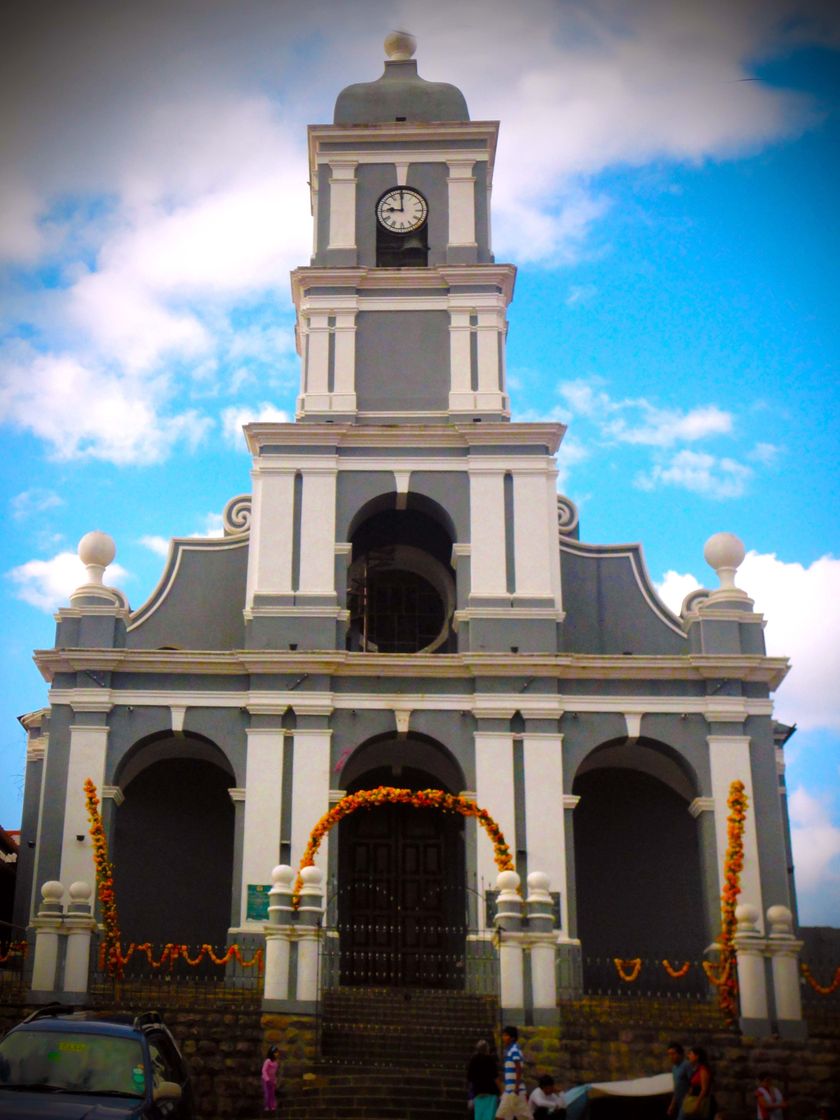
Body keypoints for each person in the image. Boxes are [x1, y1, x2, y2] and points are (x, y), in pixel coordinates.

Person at [495, 1026, 531, 1120]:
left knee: (501, 1117)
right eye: (503, 1035)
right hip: (511, 1091)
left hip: (514, 1090)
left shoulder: (514, 1050)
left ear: (512, 1038)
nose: (503, 1038)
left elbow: (518, 1068)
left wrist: (516, 1087)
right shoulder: (510, 1050)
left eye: (506, 1035)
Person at [678, 1046, 713, 1120]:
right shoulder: (696, 1069)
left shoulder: (703, 1069)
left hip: (698, 1100)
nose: (689, 1056)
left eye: (691, 1054)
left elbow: (704, 1088)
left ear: (697, 1056)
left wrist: (698, 1103)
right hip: (693, 1098)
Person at [467, 1039, 499, 1120]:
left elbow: (470, 1078)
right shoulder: (490, 1059)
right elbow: (495, 1077)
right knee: (490, 1116)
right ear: (487, 1049)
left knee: (479, 1116)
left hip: (478, 1092)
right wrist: (501, 1090)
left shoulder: (473, 1060)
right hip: (490, 1092)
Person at [667, 1042, 692, 1118]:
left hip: (687, 1102)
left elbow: (693, 1083)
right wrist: (672, 1105)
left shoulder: (686, 1065)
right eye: (669, 1054)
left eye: (673, 1054)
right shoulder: (674, 1068)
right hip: (679, 1102)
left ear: (680, 1054)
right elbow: (676, 1088)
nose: (671, 1056)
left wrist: (687, 1098)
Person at [261, 1045, 279, 1115]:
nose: (277, 1054)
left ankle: (272, 1106)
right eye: (275, 1053)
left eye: (277, 1052)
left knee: (272, 1094)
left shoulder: (275, 1063)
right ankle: (267, 1106)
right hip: (266, 1080)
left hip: (272, 1081)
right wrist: (267, 1079)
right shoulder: (267, 1061)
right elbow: (264, 1070)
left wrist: (274, 1081)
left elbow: (274, 1073)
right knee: (267, 1093)